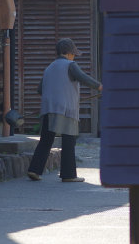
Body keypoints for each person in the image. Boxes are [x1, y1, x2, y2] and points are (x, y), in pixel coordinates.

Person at [27, 38, 102, 183]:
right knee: (69, 140)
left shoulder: (49, 68)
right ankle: (68, 175)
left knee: (46, 140)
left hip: (48, 109)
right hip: (66, 109)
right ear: (68, 53)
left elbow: (40, 89)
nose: (74, 56)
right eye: (73, 53)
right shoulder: (71, 65)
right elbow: (83, 78)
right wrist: (100, 86)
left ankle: (34, 170)